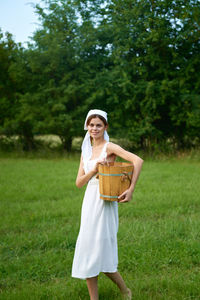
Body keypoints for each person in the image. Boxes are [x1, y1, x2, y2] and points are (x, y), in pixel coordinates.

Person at [72, 109, 143, 300]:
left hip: (105, 203)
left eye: (98, 125)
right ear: (86, 126)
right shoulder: (86, 151)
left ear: (105, 127)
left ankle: (125, 291)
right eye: (91, 124)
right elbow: (79, 183)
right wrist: (94, 169)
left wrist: (131, 189)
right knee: (87, 250)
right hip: (89, 202)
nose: (94, 128)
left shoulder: (109, 147)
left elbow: (137, 160)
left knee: (101, 251)